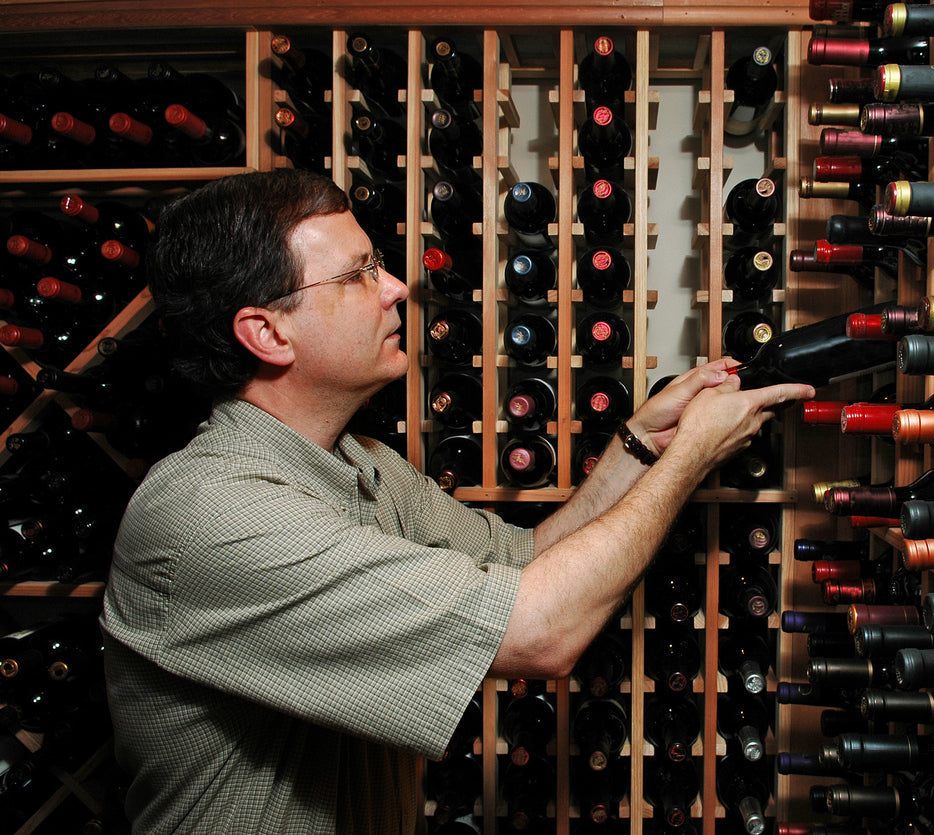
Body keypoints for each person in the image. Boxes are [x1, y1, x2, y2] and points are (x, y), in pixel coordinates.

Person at [99, 168, 813, 833]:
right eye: (358, 275)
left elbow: (531, 559)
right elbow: (541, 631)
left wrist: (641, 444)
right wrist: (692, 459)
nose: (397, 288)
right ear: (267, 331)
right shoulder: (207, 516)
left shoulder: (364, 465)